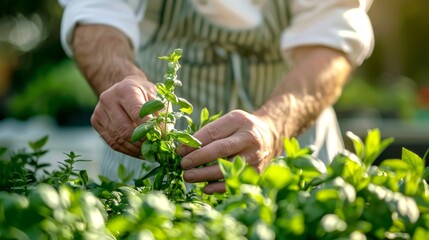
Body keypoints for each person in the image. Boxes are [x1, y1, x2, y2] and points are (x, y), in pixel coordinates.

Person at [58, 0, 374, 194]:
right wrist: (122, 79)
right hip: (146, 147)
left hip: (291, 135)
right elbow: (96, 13)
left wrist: (274, 127)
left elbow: (333, 38)